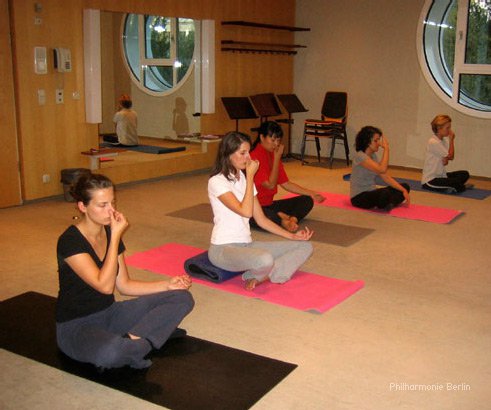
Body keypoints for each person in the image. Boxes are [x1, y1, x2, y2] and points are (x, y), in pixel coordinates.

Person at [56, 173, 194, 371]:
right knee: (110, 354)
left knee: (182, 298)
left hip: (110, 314)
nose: (111, 211)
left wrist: (167, 284)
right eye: (102, 205)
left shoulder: (110, 231)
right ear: (82, 207)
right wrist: (114, 238)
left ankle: (134, 340)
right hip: (77, 326)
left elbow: (124, 285)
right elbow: (104, 286)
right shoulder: (70, 241)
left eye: (112, 202)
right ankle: (146, 339)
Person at [207, 131, 314, 291]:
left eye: (248, 152)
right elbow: (246, 212)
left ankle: (267, 274)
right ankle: (260, 272)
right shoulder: (217, 181)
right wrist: (250, 177)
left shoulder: (242, 178)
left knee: (305, 246)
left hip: (247, 245)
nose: (248, 158)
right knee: (265, 259)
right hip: (223, 250)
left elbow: (261, 219)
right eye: (242, 153)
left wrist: (292, 236)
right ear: (228, 154)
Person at [249, 121, 326, 232]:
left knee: (306, 200)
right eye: (273, 140)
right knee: (258, 216)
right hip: (255, 206)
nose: (276, 144)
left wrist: (311, 193)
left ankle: (291, 220)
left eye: (278, 140)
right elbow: (270, 185)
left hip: (269, 204)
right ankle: (282, 220)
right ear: (262, 137)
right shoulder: (254, 157)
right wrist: (276, 158)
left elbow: (286, 183)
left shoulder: (272, 153)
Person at [350, 126, 410, 210]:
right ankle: (388, 202)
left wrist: (403, 190)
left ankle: (388, 203)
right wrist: (386, 149)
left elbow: (385, 176)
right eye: (375, 140)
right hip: (359, 197)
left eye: (378, 140)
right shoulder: (360, 156)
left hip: (372, 193)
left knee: (405, 186)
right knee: (384, 193)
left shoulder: (373, 156)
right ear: (367, 141)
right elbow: (382, 169)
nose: (378, 143)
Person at [422, 114, 470, 193]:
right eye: (447, 128)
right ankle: (457, 187)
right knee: (455, 183)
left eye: (449, 127)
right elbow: (451, 156)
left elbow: (446, 162)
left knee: (464, 174)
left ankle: (450, 187)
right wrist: (451, 140)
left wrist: (446, 158)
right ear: (439, 128)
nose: (449, 130)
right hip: (431, 180)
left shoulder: (443, 140)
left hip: (442, 175)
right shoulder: (433, 142)